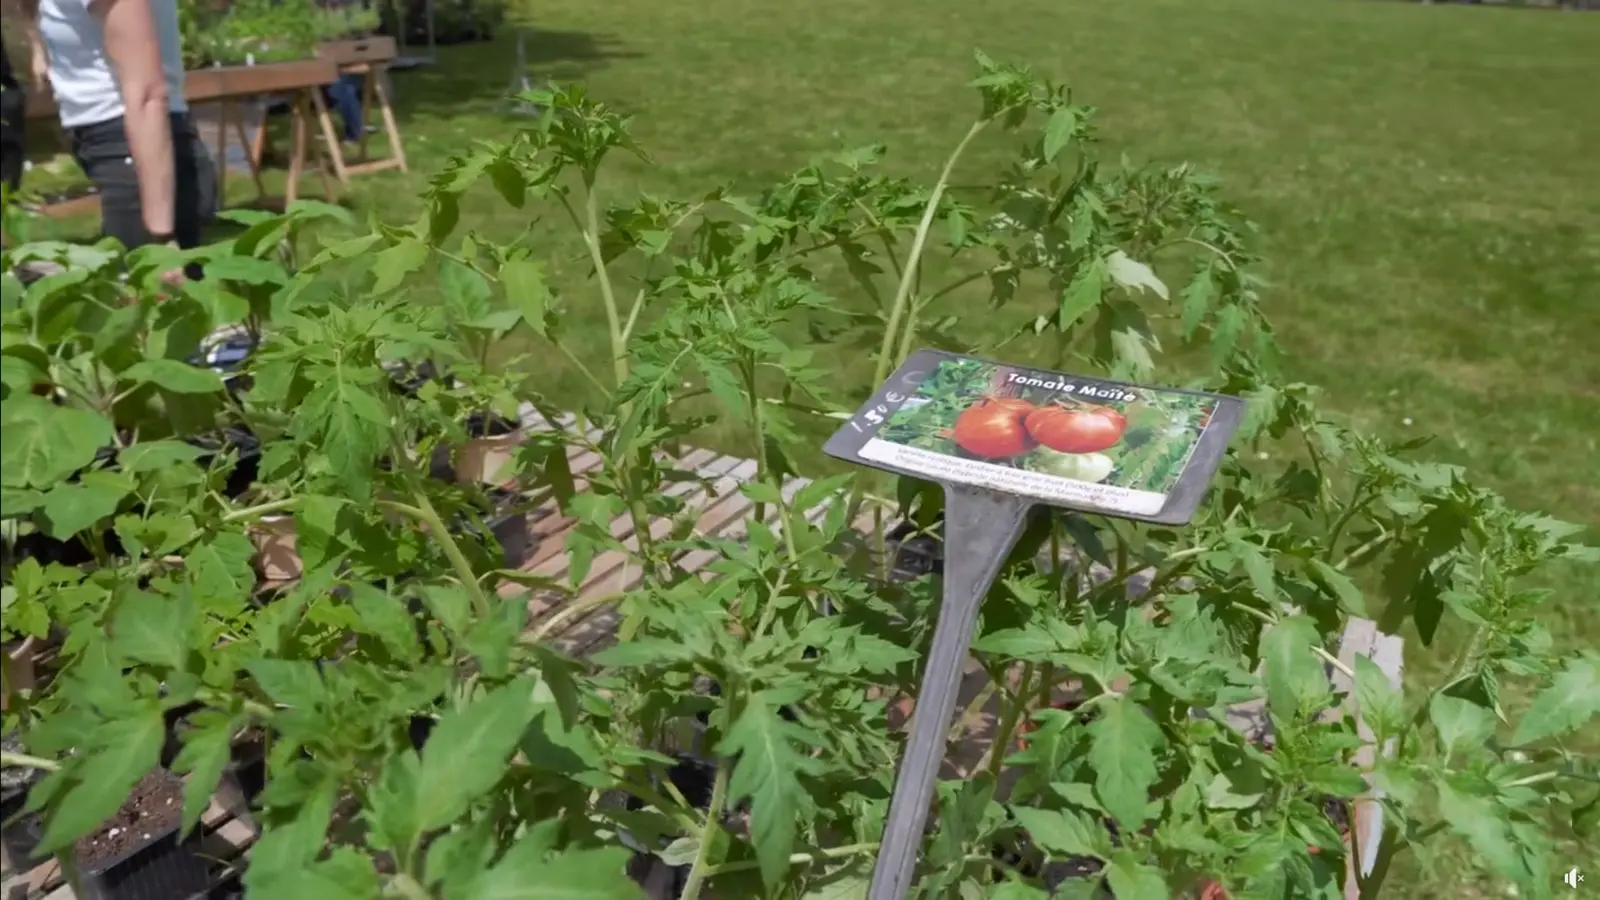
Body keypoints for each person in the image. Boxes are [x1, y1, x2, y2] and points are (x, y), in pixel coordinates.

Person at [24, 0, 215, 264]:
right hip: (119, 141)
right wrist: (37, 45)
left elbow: (148, 94)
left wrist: (160, 238)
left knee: (153, 294)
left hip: (139, 151)